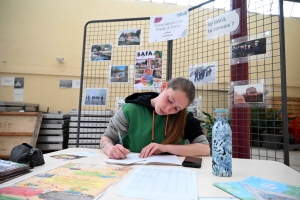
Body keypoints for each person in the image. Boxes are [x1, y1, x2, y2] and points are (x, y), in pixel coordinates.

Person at [100, 77, 210, 159]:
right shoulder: (130, 110)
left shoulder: (185, 116)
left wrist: (166, 148)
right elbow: (106, 138)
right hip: (133, 169)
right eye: (170, 100)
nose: (168, 110)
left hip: (172, 172)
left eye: (177, 108)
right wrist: (110, 149)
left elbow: (205, 148)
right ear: (163, 87)